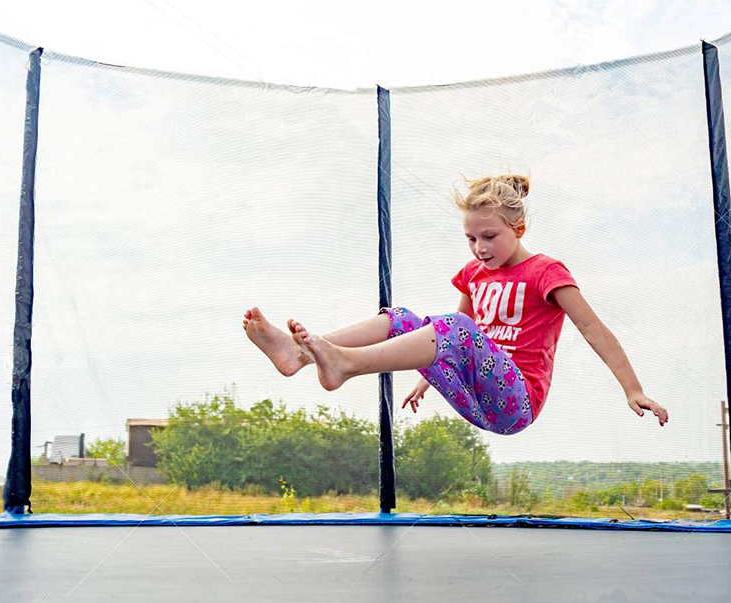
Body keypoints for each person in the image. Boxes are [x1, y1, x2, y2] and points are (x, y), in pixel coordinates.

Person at [242, 174, 667, 436]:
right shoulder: (474, 273)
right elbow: (444, 342)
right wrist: (429, 378)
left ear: (517, 228)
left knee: (453, 325)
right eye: (471, 238)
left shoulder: (545, 272)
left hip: (516, 403)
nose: (479, 248)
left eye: (490, 237)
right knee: (405, 318)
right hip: (473, 395)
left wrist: (633, 389)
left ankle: (344, 363)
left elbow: (594, 329)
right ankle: (299, 354)